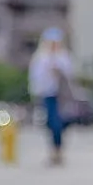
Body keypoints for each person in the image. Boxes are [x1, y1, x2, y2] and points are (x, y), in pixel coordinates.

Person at [28, 27, 77, 164]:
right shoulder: (40, 57)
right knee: (50, 123)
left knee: (59, 123)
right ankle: (54, 151)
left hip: (62, 96)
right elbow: (36, 78)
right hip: (47, 94)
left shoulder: (64, 56)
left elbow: (70, 75)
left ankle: (58, 150)